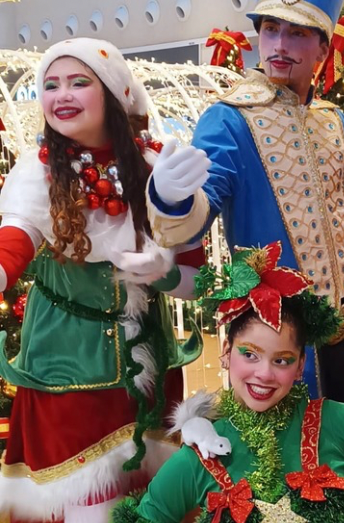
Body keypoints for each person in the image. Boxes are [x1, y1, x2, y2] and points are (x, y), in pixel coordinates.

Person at [144, 0, 344, 417]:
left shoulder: (334, 122)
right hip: (274, 338)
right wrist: (170, 196)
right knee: (285, 468)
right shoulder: (230, 118)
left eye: (297, 33)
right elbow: (198, 213)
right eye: (271, 29)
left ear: (323, 50)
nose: (280, 45)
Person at [111, 242, 344, 523]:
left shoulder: (339, 423)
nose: (264, 374)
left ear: (300, 366)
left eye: (281, 360)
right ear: (226, 351)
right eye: (249, 354)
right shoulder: (199, 458)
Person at [0, 38, 208, 522]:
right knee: (85, 504)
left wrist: (165, 270)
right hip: (65, 373)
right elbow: (15, 241)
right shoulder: (38, 174)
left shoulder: (158, 169)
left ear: (113, 93)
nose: (60, 95)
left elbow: (196, 280)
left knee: (155, 495)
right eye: (49, 85)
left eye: (78, 82)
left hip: (147, 369)